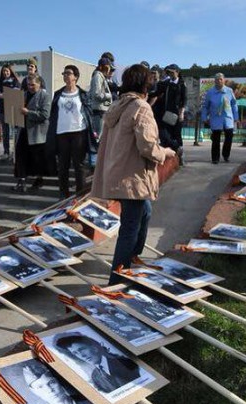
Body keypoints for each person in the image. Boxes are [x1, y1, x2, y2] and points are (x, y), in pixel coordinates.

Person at [90, 65, 175, 284]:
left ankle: (132, 259)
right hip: (132, 178)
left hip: (118, 175)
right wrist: (164, 152)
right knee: (130, 228)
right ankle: (117, 280)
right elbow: (147, 146)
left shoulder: (118, 105)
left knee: (144, 212)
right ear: (145, 86)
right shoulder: (140, 107)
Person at [47, 65, 96, 199]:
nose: (66, 76)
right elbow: (53, 114)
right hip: (61, 133)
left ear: (75, 77)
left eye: (68, 73)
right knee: (63, 166)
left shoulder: (82, 94)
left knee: (79, 166)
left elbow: (89, 113)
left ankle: (80, 196)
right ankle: (64, 195)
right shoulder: (58, 94)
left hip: (78, 132)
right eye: (64, 73)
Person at [22, 362, 107, 404]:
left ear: (58, 382)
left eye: (51, 382)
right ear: (35, 392)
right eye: (40, 387)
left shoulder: (90, 402)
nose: (49, 390)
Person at [54, 333, 141, 393]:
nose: (81, 355)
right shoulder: (95, 376)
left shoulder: (123, 361)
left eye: (81, 349)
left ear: (94, 347)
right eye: (75, 353)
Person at [13, 74, 54, 193]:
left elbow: (45, 115)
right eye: (28, 84)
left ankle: (38, 180)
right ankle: (21, 180)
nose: (30, 87)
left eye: (32, 84)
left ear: (39, 84)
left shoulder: (45, 96)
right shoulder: (23, 95)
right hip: (23, 130)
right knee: (20, 155)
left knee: (37, 158)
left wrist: (28, 112)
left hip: (37, 132)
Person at [150, 64, 187, 165]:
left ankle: (180, 157)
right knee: (165, 135)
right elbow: (156, 93)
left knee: (177, 135)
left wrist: (181, 112)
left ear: (177, 72)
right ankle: (174, 152)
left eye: (172, 72)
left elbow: (184, 99)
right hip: (166, 114)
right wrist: (146, 94)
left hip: (177, 114)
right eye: (168, 72)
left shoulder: (182, 84)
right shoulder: (166, 83)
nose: (170, 74)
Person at [201, 73, 239, 164]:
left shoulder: (229, 91)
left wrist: (236, 117)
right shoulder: (210, 92)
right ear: (214, 81)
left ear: (224, 80)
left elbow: (234, 104)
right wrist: (204, 116)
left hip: (228, 118)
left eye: (221, 79)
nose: (219, 81)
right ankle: (215, 158)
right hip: (215, 118)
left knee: (229, 137)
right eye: (217, 79)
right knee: (216, 139)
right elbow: (205, 106)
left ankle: (226, 155)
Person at [88, 57, 113, 167]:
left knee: (99, 136)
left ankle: (95, 161)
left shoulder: (100, 76)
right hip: (99, 110)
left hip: (101, 110)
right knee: (97, 136)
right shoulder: (98, 76)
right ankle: (93, 162)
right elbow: (96, 94)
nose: (109, 70)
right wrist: (108, 95)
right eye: (108, 67)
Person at [0, 64, 21, 160]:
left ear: (10, 71)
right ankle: (6, 152)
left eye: (7, 71)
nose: (5, 73)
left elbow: (16, 92)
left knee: (15, 131)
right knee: (5, 132)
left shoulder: (15, 81)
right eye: (4, 71)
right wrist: (7, 94)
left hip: (13, 109)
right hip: (2, 109)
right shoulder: (0, 82)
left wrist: (3, 94)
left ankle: (16, 152)